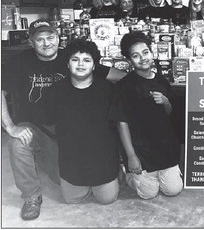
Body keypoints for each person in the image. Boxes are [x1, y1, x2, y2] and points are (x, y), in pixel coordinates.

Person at [1, 19, 125, 220]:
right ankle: (32, 196)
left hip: (70, 133)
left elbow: (117, 76)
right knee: (17, 143)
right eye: (39, 39)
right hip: (38, 129)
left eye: (50, 37)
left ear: (58, 39)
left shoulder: (74, 57)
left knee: (74, 183)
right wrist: (10, 127)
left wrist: (147, 81)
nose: (46, 43)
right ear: (31, 42)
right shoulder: (19, 62)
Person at [40, 39, 120, 204]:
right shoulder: (56, 91)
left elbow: (118, 126)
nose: (80, 64)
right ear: (68, 64)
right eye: (75, 60)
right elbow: (47, 122)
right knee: (72, 199)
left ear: (94, 65)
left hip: (102, 158)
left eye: (87, 60)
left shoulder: (108, 90)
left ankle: (116, 176)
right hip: (72, 159)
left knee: (107, 198)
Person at [109, 31, 183, 200]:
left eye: (145, 52)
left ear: (152, 53)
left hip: (164, 148)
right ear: (129, 61)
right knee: (148, 194)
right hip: (140, 149)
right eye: (136, 55)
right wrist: (131, 157)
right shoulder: (124, 86)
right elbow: (121, 123)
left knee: (173, 190)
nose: (142, 58)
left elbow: (169, 114)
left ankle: (158, 174)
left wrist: (165, 101)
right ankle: (129, 174)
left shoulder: (162, 81)